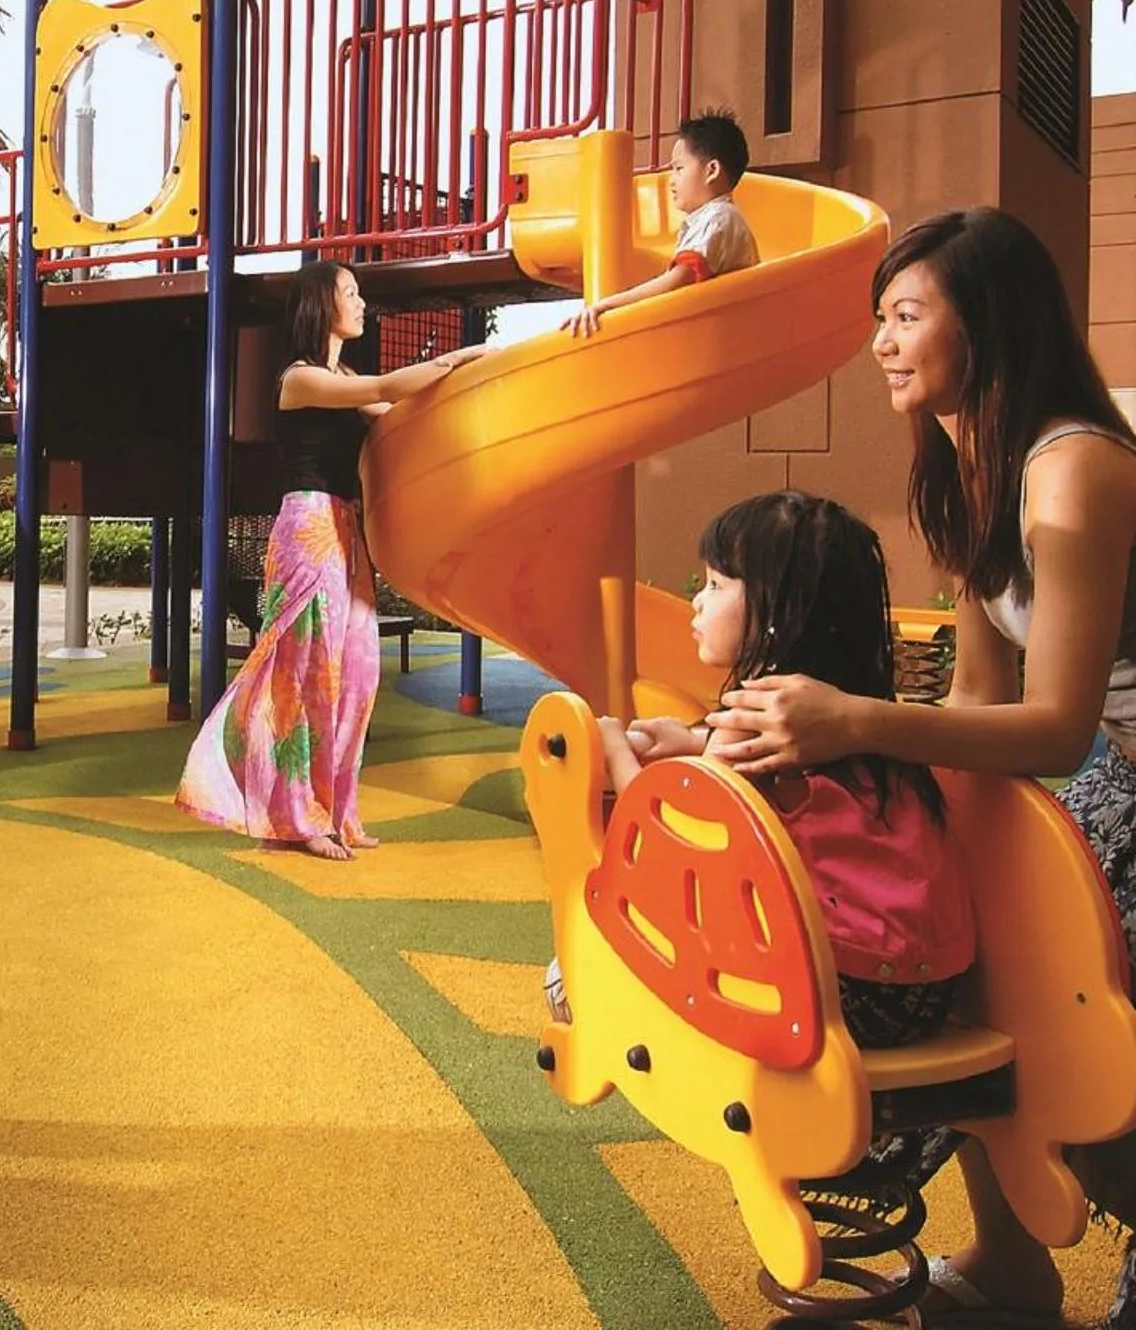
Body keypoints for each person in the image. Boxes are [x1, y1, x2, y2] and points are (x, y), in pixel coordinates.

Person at [705, 207, 1136, 1330]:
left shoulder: (1071, 473)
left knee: (1108, 1112)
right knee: (988, 985)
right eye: (880, 317)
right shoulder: (969, 468)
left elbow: (1057, 728)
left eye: (908, 315)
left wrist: (854, 723)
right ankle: (1014, 1274)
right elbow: (979, 701)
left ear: (991, 324)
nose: (882, 340)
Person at [550, 492, 976, 1052]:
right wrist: (694, 739)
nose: (697, 602)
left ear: (778, 609)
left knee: (577, 957)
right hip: (929, 989)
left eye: (716, 585)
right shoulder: (850, 713)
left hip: (833, 991)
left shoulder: (759, 711)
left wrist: (611, 746)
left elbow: (668, 842)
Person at [176, 261, 488, 859]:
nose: (362, 303)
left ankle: (338, 812)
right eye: (350, 293)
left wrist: (466, 378)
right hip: (308, 529)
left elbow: (393, 412)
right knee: (305, 677)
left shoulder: (341, 373)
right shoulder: (299, 379)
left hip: (346, 531)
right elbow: (381, 391)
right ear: (322, 304)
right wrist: (458, 357)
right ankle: (295, 817)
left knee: (360, 672)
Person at [565, 107, 760, 335]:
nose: (672, 180)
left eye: (679, 168)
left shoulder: (718, 218)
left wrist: (606, 304)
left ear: (712, 170)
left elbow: (676, 281)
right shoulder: (715, 218)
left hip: (723, 335)